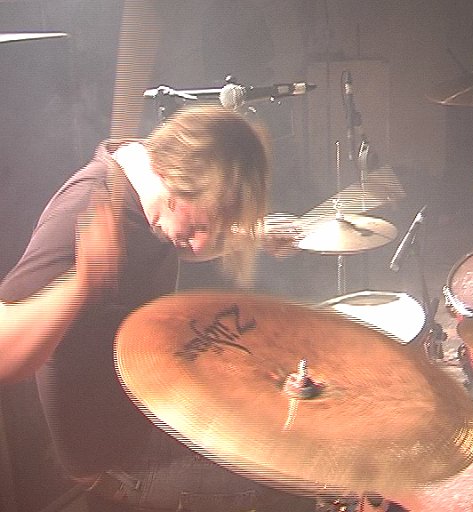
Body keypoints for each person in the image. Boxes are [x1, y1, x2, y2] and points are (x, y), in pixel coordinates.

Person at [0, 104, 315, 512]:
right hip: (118, 458)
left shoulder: (150, 190)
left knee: (285, 435)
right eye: (199, 225)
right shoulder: (85, 209)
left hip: (156, 411)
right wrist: (79, 283)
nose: (201, 243)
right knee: (292, 484)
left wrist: (251, 236)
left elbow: (183, 244)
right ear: (169, 175)